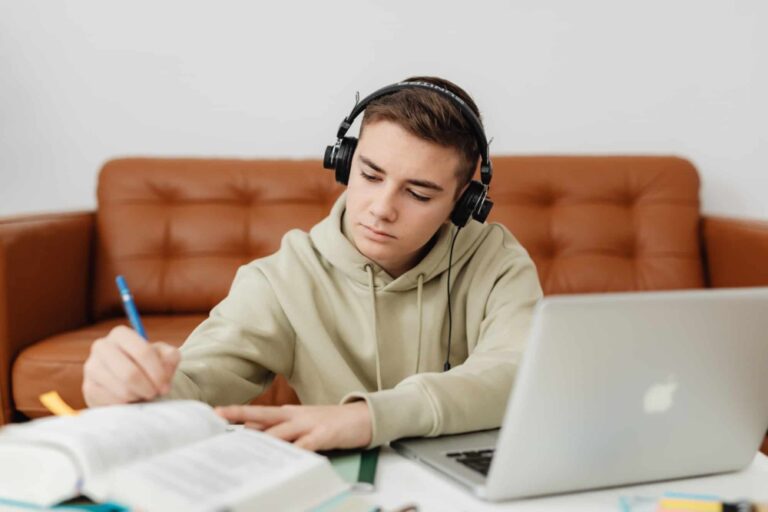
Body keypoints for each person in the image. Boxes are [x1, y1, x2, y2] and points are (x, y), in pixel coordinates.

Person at [81, 76, 543, 452]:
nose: (381, 208)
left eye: (419, 193)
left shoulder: (498, 262)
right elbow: (196, 380)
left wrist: (367, 418)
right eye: (369, 174)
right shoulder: (283, 277)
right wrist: (134, 388)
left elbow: (518, 371)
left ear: (465, 201)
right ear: (343, 162)